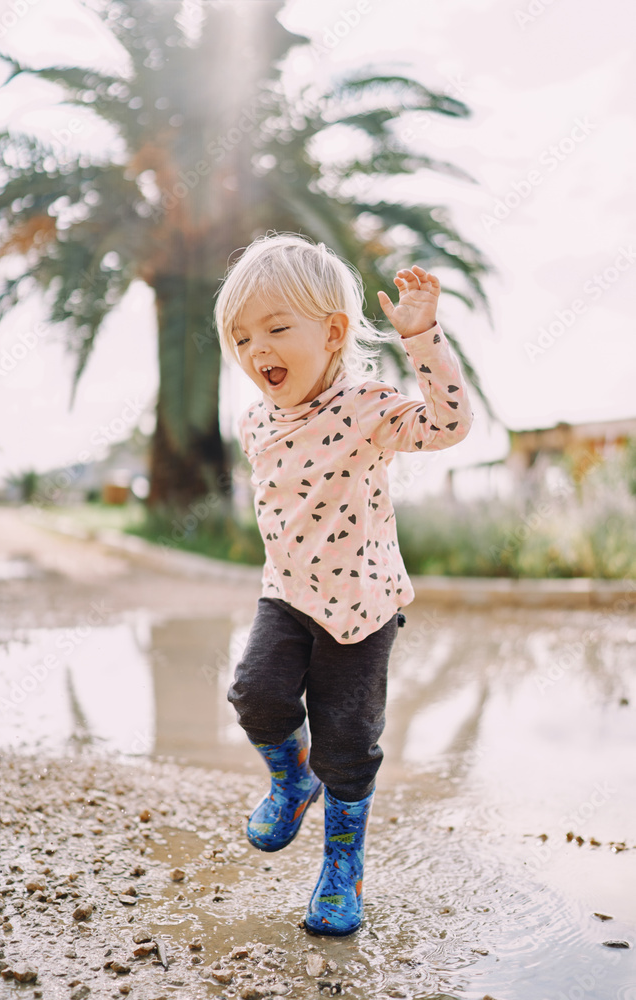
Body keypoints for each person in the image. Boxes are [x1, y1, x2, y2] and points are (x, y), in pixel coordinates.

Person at [213, 232, 473, 936]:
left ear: (331, 333)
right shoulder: (255, 420)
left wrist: (420, 336)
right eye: (239, 337)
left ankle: (340, 868)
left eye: (274, 328)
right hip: (288, 594)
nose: (255, 348)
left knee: (346, 744)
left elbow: (448, 425)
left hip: (360, 609)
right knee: (255, 694)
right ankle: (293, 782)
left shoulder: (365, 406)